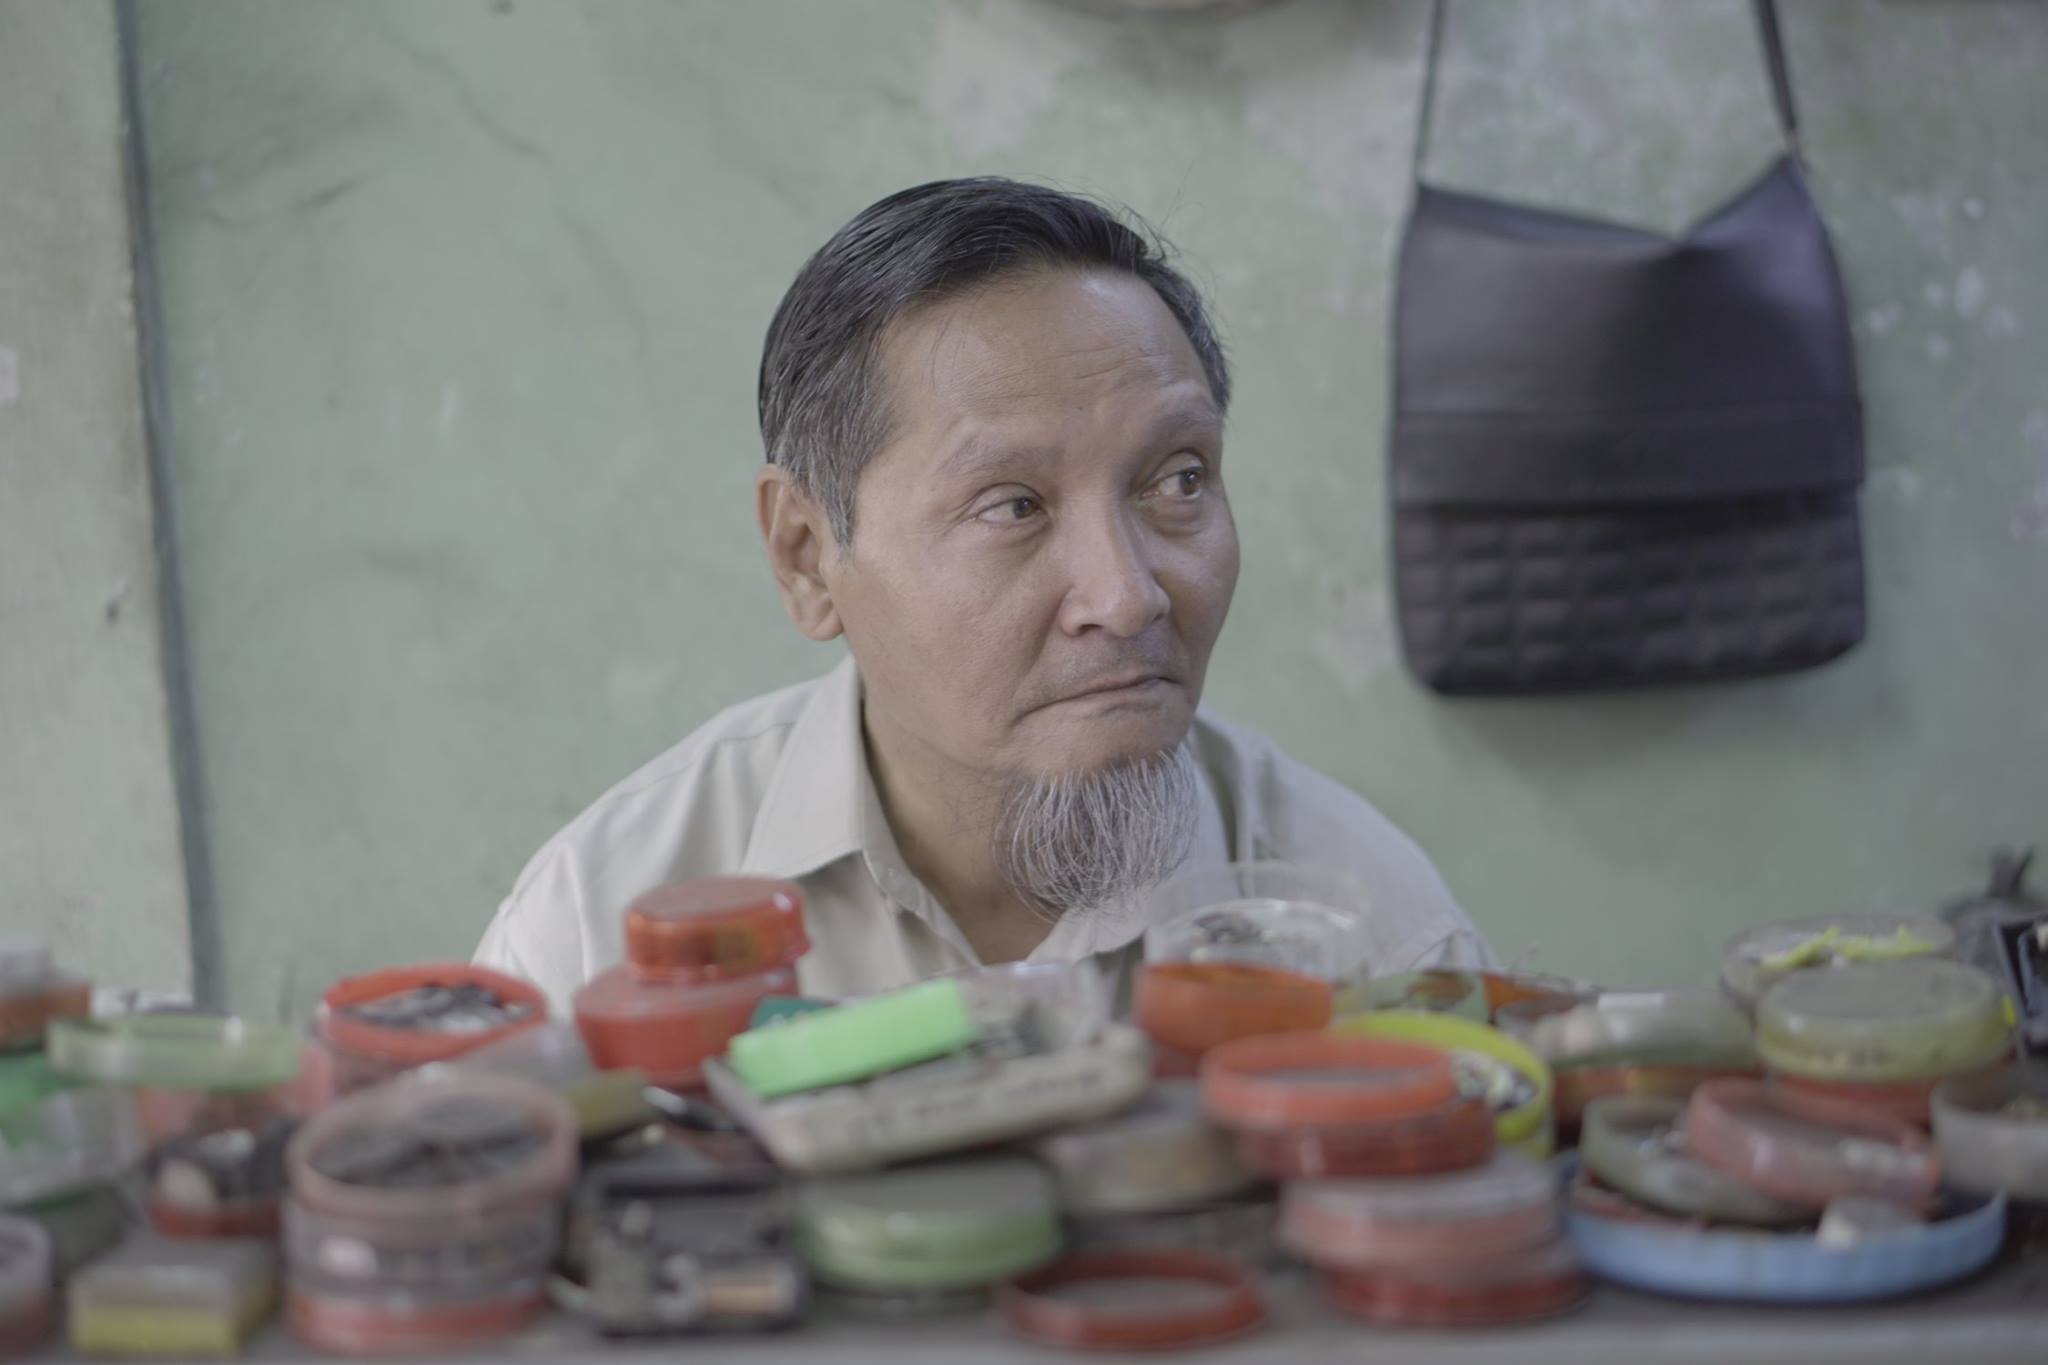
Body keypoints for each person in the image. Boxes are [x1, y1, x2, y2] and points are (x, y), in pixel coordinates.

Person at [475, 177, 1489, 1009]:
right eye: (1011, 506)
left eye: (1177, 481)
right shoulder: (597, 933)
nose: (1126, 597)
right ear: (803, 554)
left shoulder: (1373, 937)